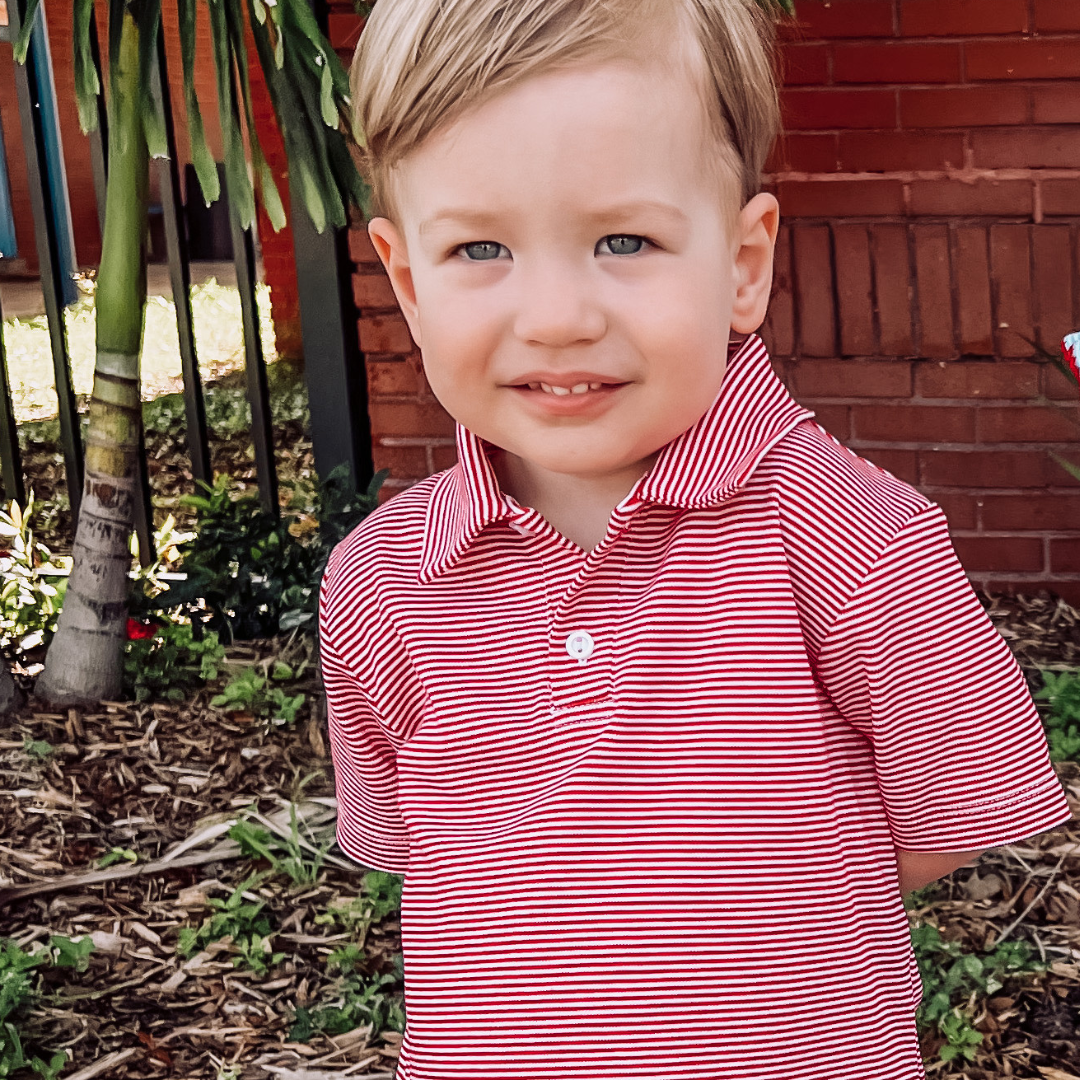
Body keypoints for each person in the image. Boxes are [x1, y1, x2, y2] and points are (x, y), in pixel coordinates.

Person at [318, 1, 1075, 1076]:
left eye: (623, 240)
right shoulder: (380, 582)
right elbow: (416, 849)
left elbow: (951, 810)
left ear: (742, 262)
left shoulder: (848, 538)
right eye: (479, 247)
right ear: (405, 280)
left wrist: (749, 920)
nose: (556, 315)